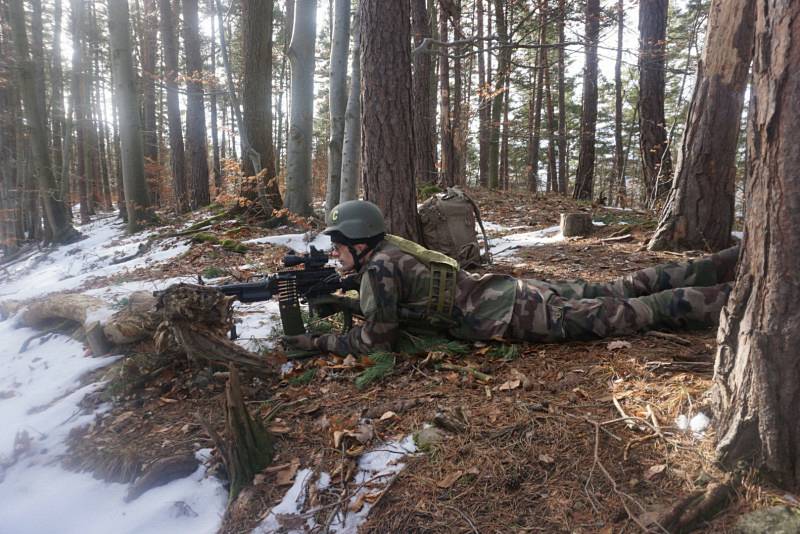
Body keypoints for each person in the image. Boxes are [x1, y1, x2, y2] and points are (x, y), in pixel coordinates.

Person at [283, 200, 737, 356]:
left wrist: (319, 342)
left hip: (514, 316)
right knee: (623, 286)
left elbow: (376, 341)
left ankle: (731, 300)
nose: (335, 255)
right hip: (508, 290)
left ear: (358, 241)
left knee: (631, 311)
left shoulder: (378, 270)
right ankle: (721, 263)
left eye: (338, 246)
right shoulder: (391, 249)